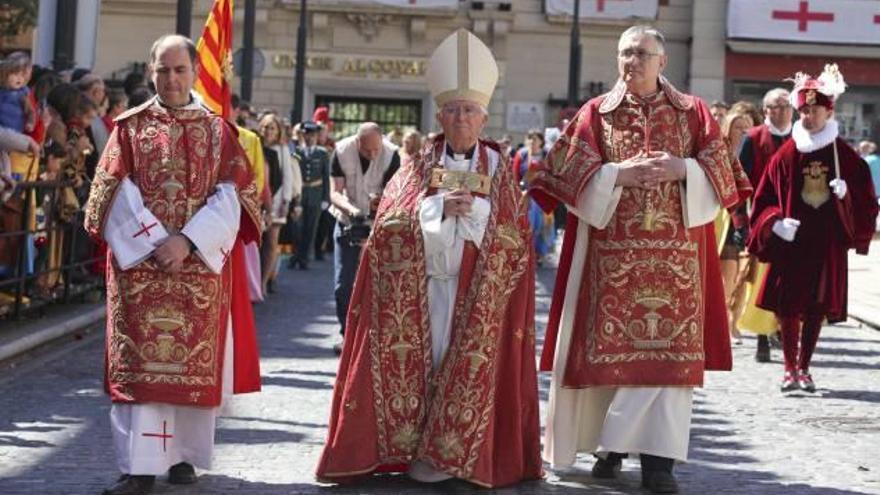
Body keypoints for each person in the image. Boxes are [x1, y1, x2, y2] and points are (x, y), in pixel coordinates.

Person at [316, 28, 541, 487]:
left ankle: (463, 459)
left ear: (483, 117)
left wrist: (476, 211)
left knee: (464, 371)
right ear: (440, 115)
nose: (461, 119)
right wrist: (436, 209)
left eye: (470, 111)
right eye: (453, 110)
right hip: (424, 292)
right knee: (423, 371)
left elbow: (517, 240)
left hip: (475, 296)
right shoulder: (416, 164)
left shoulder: (498, 169)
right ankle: (416, 453)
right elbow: (388, 228)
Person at [530, 25, 750, 494]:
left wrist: (684, 169)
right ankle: (609, 450)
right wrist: (616, 176)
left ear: (662, 62)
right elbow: (564, 176)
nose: (632, 62)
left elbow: (725, 175)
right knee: (613, 361)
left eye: (642, 54)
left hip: (677, 267)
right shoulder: (596, 114)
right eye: (625, 53)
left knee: (667, 365)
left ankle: (659, 464)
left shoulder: (694, 114)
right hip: (612, 264)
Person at [83, 34, 262, 495]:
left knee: (192, 363)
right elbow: (111, 192)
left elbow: (234, 196)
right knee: (141, 367)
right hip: (140, 269)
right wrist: (153, 241)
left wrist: (187, 241)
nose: (172, 78)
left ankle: (183, 457)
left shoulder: (217, 130)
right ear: (151, 71)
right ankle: (139, 468)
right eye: (163, 70)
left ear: (193, 72)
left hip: (196, 268)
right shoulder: (128, 128)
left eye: (180, 69)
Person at [747, 65, 878, 393]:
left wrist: (846, 197)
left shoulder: (846, 157)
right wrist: (775, 222)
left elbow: (866, 200)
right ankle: (789, 369)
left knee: (816, 307)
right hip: (794, 243)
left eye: (814, 110)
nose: (807, 117)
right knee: (789, 306)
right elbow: (764, 197)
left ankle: (805, 367)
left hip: (826, 245)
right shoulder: (786, 155)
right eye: (803, 110)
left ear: (828, 111)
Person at [327, 122, 399, 353]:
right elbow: (335, 192)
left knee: (379, 284)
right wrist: (352, 211)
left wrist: (380, 206)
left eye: (376, 149)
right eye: (367, 150)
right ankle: (346, 334)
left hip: (379, 223)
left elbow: (395, 194)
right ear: (357, 142)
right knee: (343, 284)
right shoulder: (340, 151)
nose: (372, 154)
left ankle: (372, 336)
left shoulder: (392, 155)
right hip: (348, 220)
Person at [738, 88, 794, 362]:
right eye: (774, 106)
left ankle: (785, 332)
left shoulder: (803, 137)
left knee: (793, 281)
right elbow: (739, 184)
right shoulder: (753, 138)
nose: (780, 111)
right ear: (765, 109)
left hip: (798, 223)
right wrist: (741, 225)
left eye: (785, 106)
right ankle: (761, 337)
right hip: (764, 222)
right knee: (762, 281)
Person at [716, 109, 753, 344]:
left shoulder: (753, 151)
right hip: (722, 219)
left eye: (746, 127)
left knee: (742, 275)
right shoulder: (719, 151)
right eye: (738, 126)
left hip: (745, 218)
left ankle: (734, 322)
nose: (743, 132)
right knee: (724, 275)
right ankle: (721, 323)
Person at [258, 113, 300, 294]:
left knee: (271, 243)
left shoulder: (283, 149)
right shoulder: (255, 145)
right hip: (256, 202)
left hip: (277, 203)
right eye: (266, 127)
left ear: (278, 131)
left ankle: (263, 282)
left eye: (272, 128)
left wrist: (287, 201)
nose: (268, 131)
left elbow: (287, 178)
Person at [289, 121, 329, 270]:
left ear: (317, 136)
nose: (310, 137)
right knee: (296, 227)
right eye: (307, 134)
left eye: (313, 135)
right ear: (303, 135)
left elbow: (326, 177)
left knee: (310, 229)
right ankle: (295, 256)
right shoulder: (297, 152)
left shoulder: (322, 153)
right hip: (299, 194)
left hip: (315, 194)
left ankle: (304, 258)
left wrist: (326, 198)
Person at [513, 129, 555, 265]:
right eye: (530, 138)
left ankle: (540, 255)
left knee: (543, 225)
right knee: (527, 225)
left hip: (543, 197)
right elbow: (514, 175)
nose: (532, 141)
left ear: (541, 141)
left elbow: (554, 174)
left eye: (535, 139)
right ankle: (526, 253)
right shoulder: (522, 154)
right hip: (526, 196)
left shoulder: (547, 155)